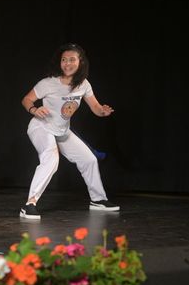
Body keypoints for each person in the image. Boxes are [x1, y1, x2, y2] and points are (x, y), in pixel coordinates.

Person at [19, 43, 119, 219]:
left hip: (62, 131)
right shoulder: (48, 83)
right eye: (64, 60)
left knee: (88, 159)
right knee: (51, 159)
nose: (67, 64)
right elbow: (26, 99)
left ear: (80, 62)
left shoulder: (84, 84)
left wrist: (102, 111)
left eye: (72, 60)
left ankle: (98, 200)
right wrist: (34, 110)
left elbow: (95, 107)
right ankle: (30, 204)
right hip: (41, 127)